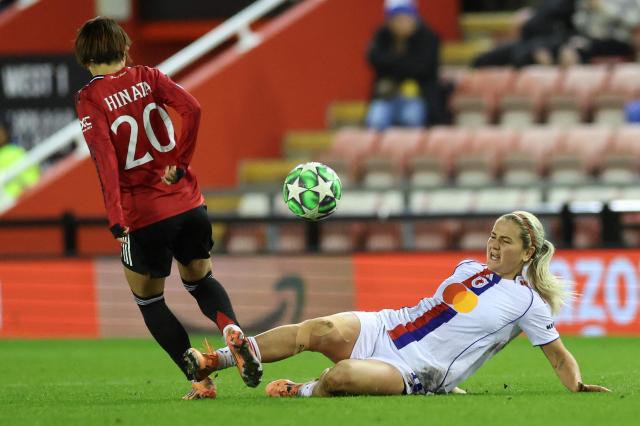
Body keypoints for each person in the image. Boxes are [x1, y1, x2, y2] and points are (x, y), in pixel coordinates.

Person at [185, 211, 610, 397]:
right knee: (316, 330)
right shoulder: (467, 267)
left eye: (505, 241)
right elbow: (443, 314)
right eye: (492, 237)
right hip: (387, 327)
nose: (494, 246)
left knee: (342, 377)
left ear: (528, 250)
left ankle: (303, 391)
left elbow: (558, 356)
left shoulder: (527, 304)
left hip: (416, 370)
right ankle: (217, 362)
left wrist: (576, 384)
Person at [73, 17, 262, 400]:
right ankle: (230, 329)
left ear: (85, 58)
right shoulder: (149, 76)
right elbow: (192, 108)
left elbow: (106, 160)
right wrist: (181, 162)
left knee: (149, 300)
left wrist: (115, 217)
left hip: (142, 214)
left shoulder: (90, 98)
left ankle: (201, 381)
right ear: (125, 47)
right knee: (200, 281)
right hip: (189, 203)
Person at [365, 0, 442, 129]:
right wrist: (403, 63)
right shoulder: (382, 36)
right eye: (397, 19)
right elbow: (373, 59)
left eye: (405, 18)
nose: (401, 23)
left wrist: (392, 64)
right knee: (375, 120)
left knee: (411, 119)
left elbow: (420, 67)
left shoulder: (428, 37)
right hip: (386, 96)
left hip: (418, 96)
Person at [0, 118, 40, 204]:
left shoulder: (17, 152)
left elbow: (32, 182)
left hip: (16, 202)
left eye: (1, 130)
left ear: (6, 132)